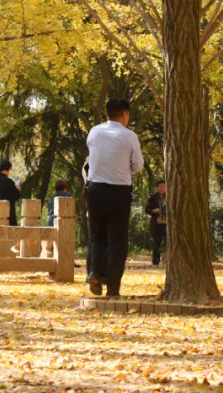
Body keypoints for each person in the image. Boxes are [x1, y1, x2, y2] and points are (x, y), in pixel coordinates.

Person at [84, 98, 144, 298]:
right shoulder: (129, 136)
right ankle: (113, 287)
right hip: (118, 191)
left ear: (107, 114)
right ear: (125, 114)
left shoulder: (94, 132)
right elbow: (137, 166)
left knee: (97, 235)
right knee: (117, 240)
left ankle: (94, 272)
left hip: (94, 190)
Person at [0, 159, 21, 226]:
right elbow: (16, 196)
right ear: (7, 169)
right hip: (8, 214)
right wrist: (18, 189)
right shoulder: (8, 181)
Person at [145, 180, 168, 267]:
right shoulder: (153, 197)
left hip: (168, 224)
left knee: (170, 243)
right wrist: (154, 210)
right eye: (160, 186)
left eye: (164, 186)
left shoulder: (170, 196)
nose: (162, 188)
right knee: (156, 243)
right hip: (157, 224)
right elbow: (146, 209)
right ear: (157, 187)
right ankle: (155, 262)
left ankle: (169, 261)